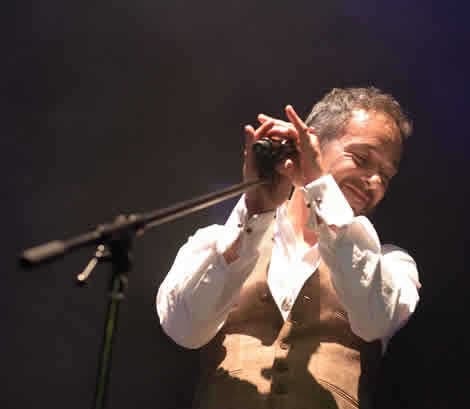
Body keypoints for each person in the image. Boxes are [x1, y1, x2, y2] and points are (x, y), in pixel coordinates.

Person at [156, 87, 421, 409]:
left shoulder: (389, 264)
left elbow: (375, 319)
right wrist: (254, 211)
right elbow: (184, 329)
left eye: (386, 176)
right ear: (312, 145)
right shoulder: (216, 241)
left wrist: (319, 186)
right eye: (362, 159)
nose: (375, 182)